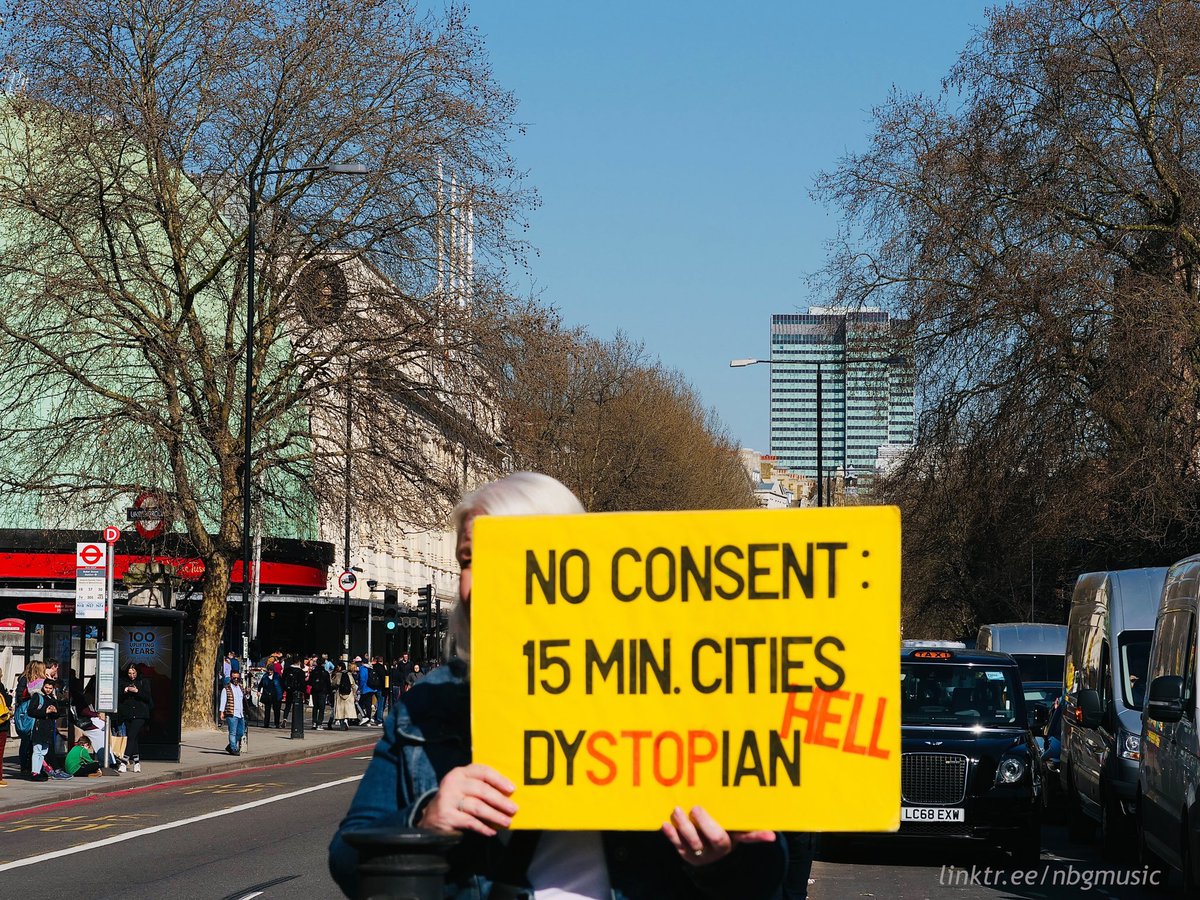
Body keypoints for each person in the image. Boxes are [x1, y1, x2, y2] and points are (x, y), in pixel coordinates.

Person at [329, 472, 784, 899]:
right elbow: (347, 861)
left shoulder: (679, 691)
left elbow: (766, 875)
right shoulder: (430, 704)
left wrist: (717, 860)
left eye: (504, 557)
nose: (475, 583)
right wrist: (426, 824)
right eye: (468, 560)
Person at [28, 678, 71, 781]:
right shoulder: (37, 696)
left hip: (48, 728)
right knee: (37, 749)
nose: (48, 690)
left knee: (43, 751)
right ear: (43, 686)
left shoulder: (52, 698)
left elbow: (57, 715)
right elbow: (31, 711)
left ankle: (38, 771)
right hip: (39, 727)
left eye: (50, 688)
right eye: (46, 687)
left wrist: (55, 711)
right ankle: (35, 772)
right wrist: (45, 711)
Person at [117, 662, 152, 773]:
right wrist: (125, 690)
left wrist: (137, 691)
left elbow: (147, 697)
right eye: (129, 673)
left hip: (140, 714)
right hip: (127, 714)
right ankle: (137, 763)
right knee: (134, 738)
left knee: (131, 736)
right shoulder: (123, 682)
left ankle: (124, 761)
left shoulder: (144, 681)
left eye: (133, 673)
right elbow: (119, 697)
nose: (132, 675)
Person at [220, 670, 246, 755]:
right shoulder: (226, 688)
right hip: (231, 713)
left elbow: (243, 700)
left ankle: (231, 745)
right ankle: (233, 749)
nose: (235, 679)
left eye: (237, 678)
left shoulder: (240, 688)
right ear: (231, 678)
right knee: (233, 732)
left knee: (241, 732)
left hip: (240, 713)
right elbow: (223, 701)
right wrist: (222, 712)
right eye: (234, 677)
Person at [331, 661, 356, 731]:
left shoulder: (338, 674)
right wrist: (354, 694)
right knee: (347, 709)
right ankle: (346, 721)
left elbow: (333, 683)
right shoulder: (349, 674)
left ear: (340, 667)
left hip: (340, 693)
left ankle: (342, 724)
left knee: (340, 710)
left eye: (338, 666)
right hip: (349, 694)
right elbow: (353, 685)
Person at [309, 658, 331, 729]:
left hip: (314, 691)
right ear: (323, 664)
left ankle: (314, 722)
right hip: (323, 691)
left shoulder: (313, 672)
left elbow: (310, 681)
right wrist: (329, 692)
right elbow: (328, 683)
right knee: (321, 708)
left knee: (315, 707)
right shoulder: (325, 673)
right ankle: (319, 723)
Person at [356, 655, 378, 725]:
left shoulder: (362, 668)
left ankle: (365, 717)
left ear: (362, 662)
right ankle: (368, 717)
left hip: (365, 689)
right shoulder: (370, 668)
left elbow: (362, 679)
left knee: (359, 704)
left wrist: (360, 689)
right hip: (371, 688)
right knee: (368, 704)